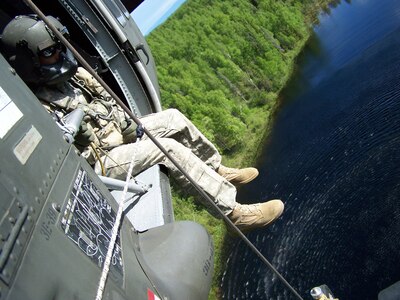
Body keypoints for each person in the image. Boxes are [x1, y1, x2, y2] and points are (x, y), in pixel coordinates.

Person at [1, 14, 284, 233]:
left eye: (59, 47)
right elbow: (68, 160)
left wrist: (127, 123)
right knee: (168, 149)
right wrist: (87, 139)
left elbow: (107, 102)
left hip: (118, 135)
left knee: (173, 118)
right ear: (29, 62)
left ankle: (216, 169)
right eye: (50, 51)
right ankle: (235, 214)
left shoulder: (73, 78)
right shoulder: (37, 105)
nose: (61, 56)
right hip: (102, 158)